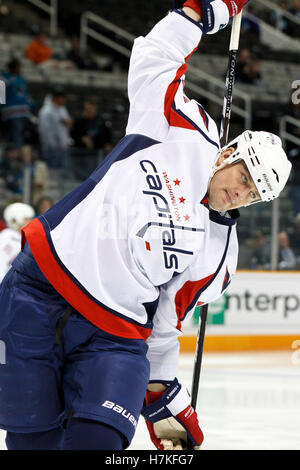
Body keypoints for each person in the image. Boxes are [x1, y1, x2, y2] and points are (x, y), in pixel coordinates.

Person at [0, 0, 292, 451]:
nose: (243, 193)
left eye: (256, 194)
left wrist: (159, 394)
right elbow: (154, 56)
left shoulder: (219, 256)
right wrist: (201, 13)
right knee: (30, 441)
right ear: (231, 153)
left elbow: (165, 322)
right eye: (245, 177)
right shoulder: (181, 128)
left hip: (116, 333)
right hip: (42, 287)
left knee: (96, 441)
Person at [71, 101, 112, 179]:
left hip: (96, 152)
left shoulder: (100, 121)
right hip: (81, 152)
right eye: (88, 109)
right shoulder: (79, 121)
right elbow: (73, 135)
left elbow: (106, 135)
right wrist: (82, 139)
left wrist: (107, 144)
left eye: (92, 109)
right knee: (81, 175)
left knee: (94, 173)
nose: (90, 111)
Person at [38, 87, 73, 170]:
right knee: (52, 172)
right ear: (57, 98)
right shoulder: (46, 111)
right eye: (63, 98)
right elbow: (45, 131)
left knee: (61, 174)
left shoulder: (62, 109)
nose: (65, 100)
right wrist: (52, 146)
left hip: (63, 148)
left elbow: (69, 122)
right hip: (51, 149)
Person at [1, 59, 32, 152]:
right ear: (12, 67)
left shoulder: (21, 79)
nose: (19, 69)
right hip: (11, 113)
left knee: (21, 137)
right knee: (13, 137)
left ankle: (17, 155)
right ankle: (11, 156)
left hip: (23, 113)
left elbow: (25, 95)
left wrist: (30, 106)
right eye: (17, 67)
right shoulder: (5, 78)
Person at [0, 202, 34, 282]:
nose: (30, 222)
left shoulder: (26, 238)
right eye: (26, 219)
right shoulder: (6, 237)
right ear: (14, 220)